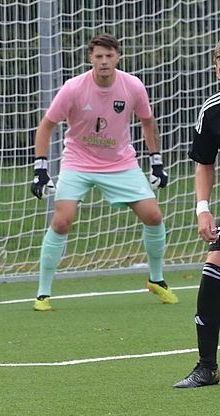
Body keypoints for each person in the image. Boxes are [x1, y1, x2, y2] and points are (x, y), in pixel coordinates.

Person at [29, 33, 176, 311]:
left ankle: (157, 279)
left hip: (121, 163)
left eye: (109, 56)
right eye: (99, 56)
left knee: (153, 216)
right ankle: (43, 293)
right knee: (62, 221)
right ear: (91, 58)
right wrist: (41, 168)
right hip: (78, 162)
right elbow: (46, 125)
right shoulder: (73, 88)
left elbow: (147, 121)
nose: (104, 61)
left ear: (118, 57)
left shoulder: (132, 86)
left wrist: (156, 161)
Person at [174, 40, 220, 388]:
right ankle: (207, 367)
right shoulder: (213, 110)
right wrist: (202, 208)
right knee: (214, 265)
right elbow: (204, 163)